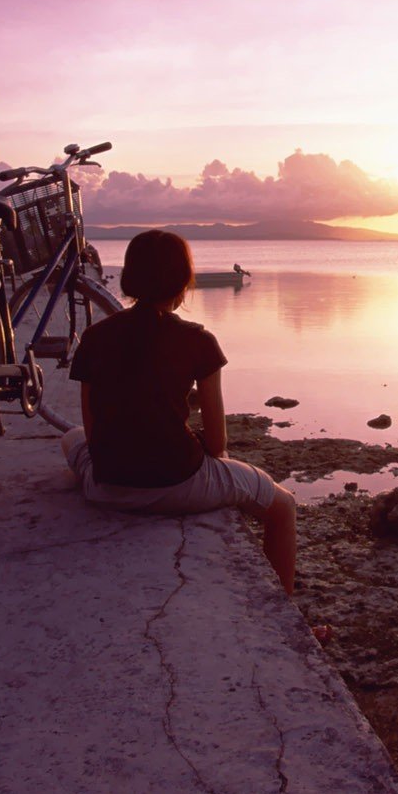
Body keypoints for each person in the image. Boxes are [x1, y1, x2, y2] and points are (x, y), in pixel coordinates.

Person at [60, 229, 298, 594]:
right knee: (283, 506)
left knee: (69, 437)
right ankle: (288, 608)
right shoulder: (198, 341)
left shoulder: (95, 337)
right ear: (183, 281)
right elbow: (217, 444)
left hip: (105, 486)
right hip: (179, 485)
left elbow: (93, 435)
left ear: (129, 277)